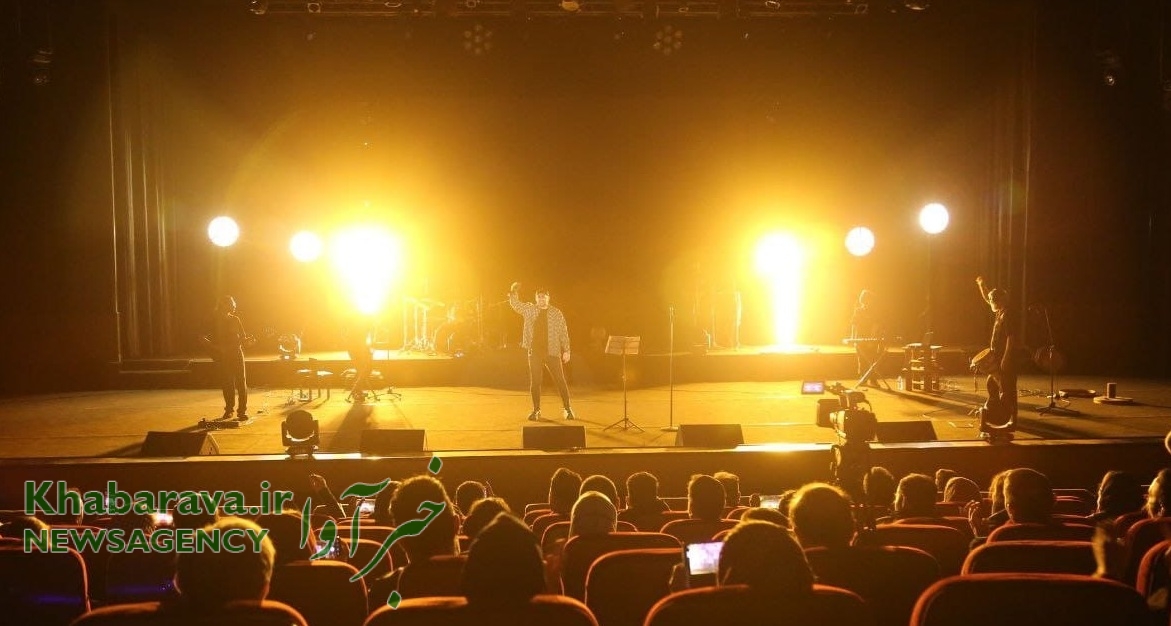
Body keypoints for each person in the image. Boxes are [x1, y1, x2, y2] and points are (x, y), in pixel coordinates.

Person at [508, 282, 574, 421]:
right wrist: (513, 292)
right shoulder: (530, 309)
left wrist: (567, 350)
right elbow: (516, 305)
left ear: (548, 298)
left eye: (544, 297)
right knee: (536, 382)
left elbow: (563, 332)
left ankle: (567, 409)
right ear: (536, 298)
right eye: (539, 297)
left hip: (552, 352)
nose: (541, 299)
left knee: (560, 380)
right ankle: (536, 410)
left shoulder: (556, 313)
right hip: (535, 352)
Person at [976, 276, 1018, 441]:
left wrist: (1006, 359)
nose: (991, 302)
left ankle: (1011, 418)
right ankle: (998, 413)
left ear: (1001, 300)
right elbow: (988, 299)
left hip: (1005, 358)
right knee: (992, 384)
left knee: (1007, 389)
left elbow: (1011, 338)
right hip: (997, 356)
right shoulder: (999, 310)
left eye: (994, 300)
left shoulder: (1008, 315)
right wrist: (982, 285)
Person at [203, 295, 253, 421]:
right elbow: (202, 337)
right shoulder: (215, 321)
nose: (234, 305)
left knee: (241, 382)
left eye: (233, 303)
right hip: (224, 356)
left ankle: (242, 411)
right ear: (223, 305)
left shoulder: (235, 319)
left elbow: (243, 338)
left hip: (237, 353)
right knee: (227, 382)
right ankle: (229, 410)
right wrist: (217, 348)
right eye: (231, 303)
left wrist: (248, 341)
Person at [850, 289, 883, 385]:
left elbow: (876, 326)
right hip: (860, 337)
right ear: (862, 300)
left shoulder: (874, 312)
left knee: (872, 359)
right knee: (861, 359)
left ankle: (873, 379)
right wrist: (853, 338)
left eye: (869, 300)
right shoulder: (858, 311)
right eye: (865, 300)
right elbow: (854, 324)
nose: (867, 303)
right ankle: (863, 379)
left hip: (871, 337)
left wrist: (871, 339)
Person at [345, 320, 374, 404]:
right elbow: (357, 343)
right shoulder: (356, 330)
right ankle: (356, 391)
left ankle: (357, 390)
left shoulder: (362, 328)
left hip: (360, 351)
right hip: (356, 352)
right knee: (362, 370)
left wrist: (368, 351)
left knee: (365, 370)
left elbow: (364, 342)